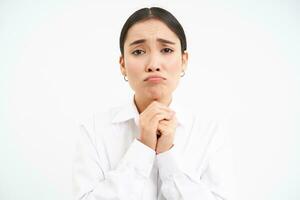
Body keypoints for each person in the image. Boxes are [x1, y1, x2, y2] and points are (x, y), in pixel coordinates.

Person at [72, 7, 236, 200]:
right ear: (123, 65)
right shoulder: (94, 130)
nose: (153, 64)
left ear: (184, 60)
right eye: (138, 51)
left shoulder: (209, 133)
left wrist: (167, 156)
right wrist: (143, 148)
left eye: (166, 50)